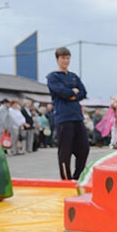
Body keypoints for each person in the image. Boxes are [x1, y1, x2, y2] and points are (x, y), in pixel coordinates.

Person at [46, 47, 90, 180]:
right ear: (57, 59)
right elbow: (61, 92)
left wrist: (72, 95)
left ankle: (77, 176)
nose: (65, 61)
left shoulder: (74, 76)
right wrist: (72, 93)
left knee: (84, 148)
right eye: (63, 58)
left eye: (67, 58)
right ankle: (66, 179)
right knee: (65, 151)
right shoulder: (53, 77)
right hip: (63, 118)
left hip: (77, 116)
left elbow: (83, 92)